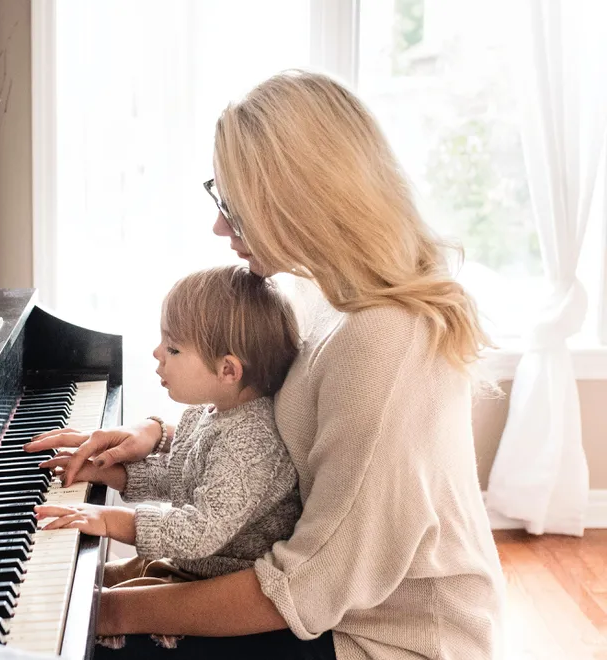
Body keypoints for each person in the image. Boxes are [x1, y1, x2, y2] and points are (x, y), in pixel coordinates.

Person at [26, 70, 505, 660]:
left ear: (299, 199)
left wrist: (91, 610)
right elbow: (276, 445)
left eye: (236, 206)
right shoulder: (318, 293)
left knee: (84, 640)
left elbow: (303, 586)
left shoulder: (384, 341)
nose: (220, 225)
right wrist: (155, 440)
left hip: (380, 638)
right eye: (220, 198)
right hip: (323, 601)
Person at [35, 266, 302, 648]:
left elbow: (200, 531)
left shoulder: (252, 441)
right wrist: (110, 473)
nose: (158, 354)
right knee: (65, 581)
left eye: (173, 348)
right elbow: (180, 477)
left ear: (228, 369)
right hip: (194, 568)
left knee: (76, 618)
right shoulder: (211, 411)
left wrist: (112, 520)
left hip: (214, 589)